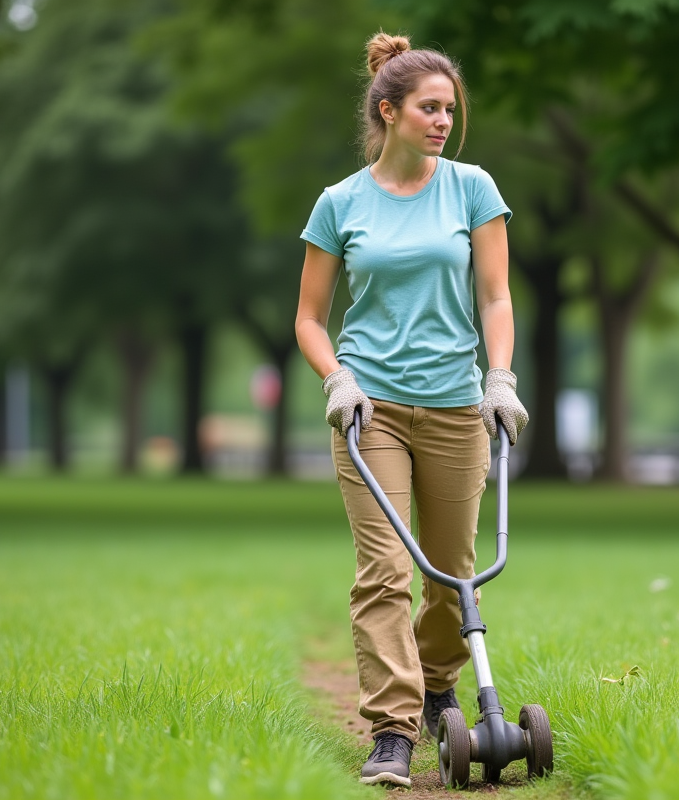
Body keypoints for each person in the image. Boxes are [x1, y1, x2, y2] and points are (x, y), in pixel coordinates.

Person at [294, 32, 529, 788]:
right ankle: (392, 732)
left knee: (453, 573)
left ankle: (436, 686)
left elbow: (495, 295)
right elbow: (308, 317)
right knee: (384, 571)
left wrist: (501, 379)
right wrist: (338, 380)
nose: (443, 121)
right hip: (374, 411)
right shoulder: (340, 203)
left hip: (459, 406)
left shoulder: (471, 188)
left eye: (450, 110)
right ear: (388, 111)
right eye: (429, 108)